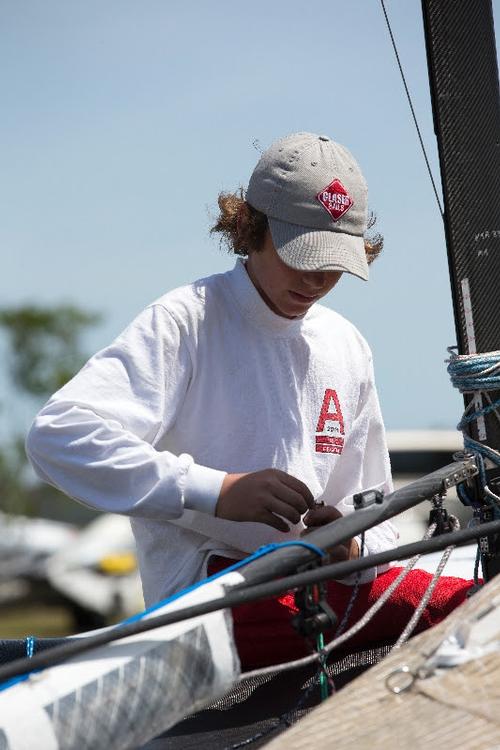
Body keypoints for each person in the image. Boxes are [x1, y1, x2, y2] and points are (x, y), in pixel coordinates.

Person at [27, 132, 403, 648]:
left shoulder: (346, 344)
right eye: (302, 254)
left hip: (319, 600)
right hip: (208, 612)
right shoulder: (185, 320)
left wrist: (351, 544)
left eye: (334, 262)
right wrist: (216, 491)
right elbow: (57, 436)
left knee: (470, 604)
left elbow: (374, 501)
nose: (316, 279)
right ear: (251, 228)